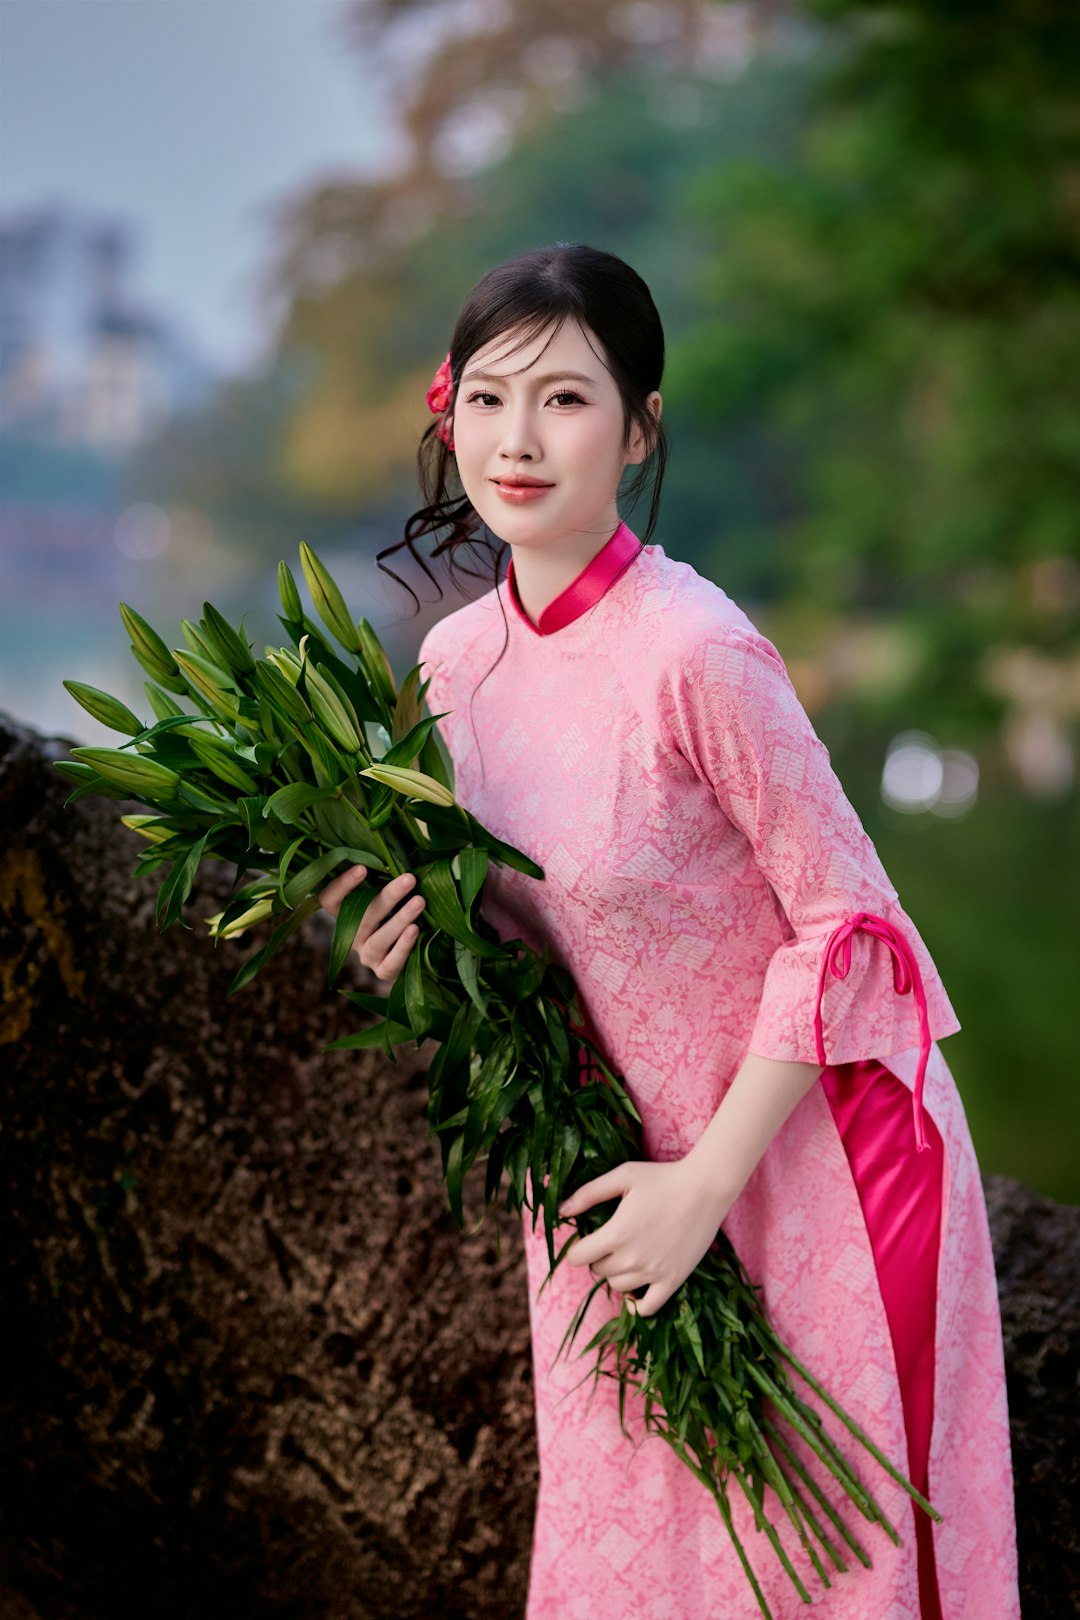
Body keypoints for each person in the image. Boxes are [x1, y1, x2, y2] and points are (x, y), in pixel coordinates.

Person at [319, 244, 1020, 1618]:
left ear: (639, 429)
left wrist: (704, 1187)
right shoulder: (457, 667)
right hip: (612, 1188)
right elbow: (533, 945)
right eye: (492, 399)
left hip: (802, 1161)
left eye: (567, 401)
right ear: (446, 412)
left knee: (821, 1576)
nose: (520, 440)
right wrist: (408, 950)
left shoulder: (697, 652)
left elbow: (855, 932)